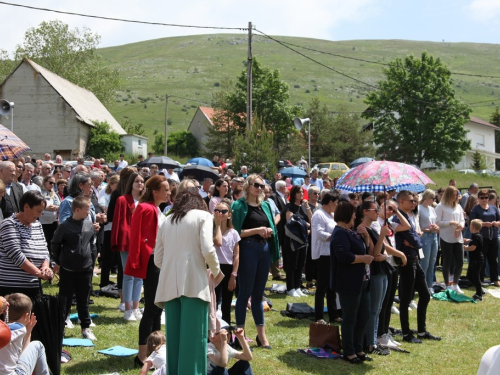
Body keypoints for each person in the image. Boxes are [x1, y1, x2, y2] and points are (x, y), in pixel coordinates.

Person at [154, 181, 221, 375]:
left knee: (174, 343)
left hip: (169, 287)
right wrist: (216, 271)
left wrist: (172, 267)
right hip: (194, 285)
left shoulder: (167, 219)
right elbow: (208, 249)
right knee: (193, 342)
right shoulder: (204, 216)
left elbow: (158, 258)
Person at [125, 176, 170, 365]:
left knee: (158, 308)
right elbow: (137, 237)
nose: (169, 193)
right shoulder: (145, 208)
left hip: (159, 262)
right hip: (152, 262)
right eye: (166, 189)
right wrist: (136, 261)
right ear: (155, 191)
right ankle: (142, 356)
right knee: (152, 308)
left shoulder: (158, 209)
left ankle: (155, 352)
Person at [231, 174, 279, 349]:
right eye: (256, 185)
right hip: (247, 249)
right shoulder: (238, 205)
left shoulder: (265, 205)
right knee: (245, 293)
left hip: (263, 249)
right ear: (248, 186)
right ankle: (240, 336)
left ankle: (262, 337)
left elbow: (273, 227)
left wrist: (267, 231)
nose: (259, 188)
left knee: (259, 295)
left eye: (262, 185)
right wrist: (257, 230)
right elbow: (235, 232)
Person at [330, 201, 373, 364]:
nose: (356, 216)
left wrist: (366, 237)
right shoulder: (340, 233)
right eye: (353, 213)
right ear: (346, 214)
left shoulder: (353, 232)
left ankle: (358, 348)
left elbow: (364, 248)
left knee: (363, 316)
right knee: (350, 318)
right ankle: (349, 351)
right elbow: (344, 256)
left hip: (362, 281)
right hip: (349, 283)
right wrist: (363, 259)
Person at [394, 190, 439, 344]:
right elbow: (415, 240)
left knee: (425, 294)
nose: (414, 203)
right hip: (406, 260)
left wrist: (415, 238)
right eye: (410, 201)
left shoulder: (411, 216)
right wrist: (415, 239)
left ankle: (421, 330)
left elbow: (415, 238)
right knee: (406, 298)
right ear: (401, 202)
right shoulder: (398, 217)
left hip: (415, 257)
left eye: (414, 201)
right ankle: (406, 333)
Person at [51, 196, 97, 341]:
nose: (89, 212)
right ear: (77, 210)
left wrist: (92, 260)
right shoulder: (64, 226)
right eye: (87, 209)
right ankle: (62, 325)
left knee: (84, 299)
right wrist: (59, 262)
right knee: (65, 298)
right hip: (68, 270)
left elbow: (92, 244)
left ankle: (85, 327)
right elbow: (55, 244)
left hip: (86, 269)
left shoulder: (89, 224)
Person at [354, 200, 392, 355]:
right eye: (375, 210)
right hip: (374, 273)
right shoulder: (363, 229)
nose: (378, 213)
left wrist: (385, 256)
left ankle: (373, 341)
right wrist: (382, 236)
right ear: (365, 211)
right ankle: (371, 343)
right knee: (374, 309)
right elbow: (373, 253)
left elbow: (381, 252)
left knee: (378, 308)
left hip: (382, 271)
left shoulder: (373, 228)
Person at [0, 191, 53, 299]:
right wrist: (38, 273)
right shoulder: (9, 224)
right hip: (12, 286)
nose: (40, 215)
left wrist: (45, 267)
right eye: (38, 211)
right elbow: (16, 254)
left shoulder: (37, 225)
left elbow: (45, 250)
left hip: (33, 285)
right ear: (26, 207)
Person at [112, 172, 145, 321]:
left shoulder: (145, 201)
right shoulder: (122, 200)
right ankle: (127, 308)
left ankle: (136, 307)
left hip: (142, 243)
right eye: (137, 181)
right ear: (131, 183)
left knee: (139, 276)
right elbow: (119, 223)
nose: (140, 184)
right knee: (128, 275)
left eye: (142, 181)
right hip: (128, 243)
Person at [0, 293, 49, 375]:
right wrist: (27, 331)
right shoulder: (18, 328)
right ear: (26, 315)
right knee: (38, 345)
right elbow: (21, 355)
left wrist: (28, 332)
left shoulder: (5, 327)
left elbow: (19, 355)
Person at [311, 192, 341, 323]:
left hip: (332, 253)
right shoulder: (318, 214)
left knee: (332, 286)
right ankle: (318, 316)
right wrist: (335, 236)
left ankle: (333, 314)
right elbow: (319, 233)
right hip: (323, 254)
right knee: (322, 286)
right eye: (336, 203)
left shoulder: (332, 215)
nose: (337, 206)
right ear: (330, 202)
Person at [213, 199, 240, 326]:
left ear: (229, 215)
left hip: (228, 268)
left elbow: (236, 255)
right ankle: (212, 331)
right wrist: (217, 225)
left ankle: (226, 331)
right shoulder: (211, 230)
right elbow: (217, 242)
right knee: (213, 302)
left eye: (223, 211)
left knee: (226, 303)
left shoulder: (233, 233)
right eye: (217, 211)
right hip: (214, 267)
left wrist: (233, 275)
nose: (220, 213)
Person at [283, 185, 312, 297]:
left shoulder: (303, 207)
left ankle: (297, 286)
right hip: (293, 240)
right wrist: (306, 226)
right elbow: (291, 223)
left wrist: (307, 206)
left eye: (302, 192)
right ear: (294, 194)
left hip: (303, 240)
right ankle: (290, 287)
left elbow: (312, 221)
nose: (301, 194)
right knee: (292, 264)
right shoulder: (289, 207)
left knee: (300, 264)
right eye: (299, 192)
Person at [435, 186, 466, 292]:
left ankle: (456, 283)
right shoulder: (440, 206)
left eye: (456, 194)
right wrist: (450, 223)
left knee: (460, 261)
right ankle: (447, 284)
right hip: (446, 236)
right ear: (448, 194)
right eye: (453, 194)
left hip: (458, 237)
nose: (455, 196)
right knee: (447, 261)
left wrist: (460, 226)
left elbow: (462, 220)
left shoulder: (458, 206)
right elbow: (437, 222)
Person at [469, 189, 500, 287]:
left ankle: (495, 279)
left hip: (493, 236)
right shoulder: (476, 209)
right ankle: (480, 279)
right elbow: (472, 222)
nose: (484, 199)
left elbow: (499, 220)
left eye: (486, 197)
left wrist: (496, 223)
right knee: (481, 259)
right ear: (478, 198)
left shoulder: (494, 208)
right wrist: (483, 224)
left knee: (493, 259)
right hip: (481, 238)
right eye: (482, 198)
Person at [97, 174, 120, 289]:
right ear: (111, 185)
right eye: (116, 185)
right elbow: (106, 212)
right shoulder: (105, 196)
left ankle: (108, 279)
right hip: (108, 229)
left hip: (116, 228)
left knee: (116, 257)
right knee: (107, 257)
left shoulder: (119, 196)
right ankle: (104, 281)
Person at [418, 189, 440, 293]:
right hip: (425, 236)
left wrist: (435, 226)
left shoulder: (431, 209)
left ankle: (430, 285)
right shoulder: (419, 208)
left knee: (433, 261)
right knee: (425, 262)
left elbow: (434, 221)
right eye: (432, 198)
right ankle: (422, 286)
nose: (434, 200)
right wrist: (428, 229)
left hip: (434, 236)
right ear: (426, 198)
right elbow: (418, 226)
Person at [464, 219, 485, 301]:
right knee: (472, 276)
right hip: (477, 259)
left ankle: (479, 293)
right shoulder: (477, 235)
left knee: (476, 277)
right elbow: (474, 241)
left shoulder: (476, 237)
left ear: (472, 227)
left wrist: (465, 248)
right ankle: (480, 290)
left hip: (476, 260)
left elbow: (473, 248)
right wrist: (467, 240)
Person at [39, 175, 60, 250]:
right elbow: (37, 204)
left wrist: (56, 208)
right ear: (45, 182)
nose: (52, 185)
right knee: (45, 241)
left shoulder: (55, 194)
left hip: (53, 221)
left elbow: (59, 205)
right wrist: (45, 208)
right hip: (43, 221)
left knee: (52, 241)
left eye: (54, 183)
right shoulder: (40, 192)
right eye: (50, 183)